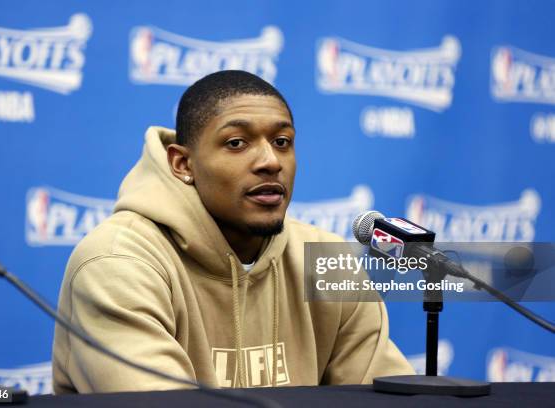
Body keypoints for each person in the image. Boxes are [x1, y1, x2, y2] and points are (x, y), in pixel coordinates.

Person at [52, 70, 414, 393]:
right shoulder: (117, 264)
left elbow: (388, 397)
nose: (270, 161)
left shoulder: (325, 260)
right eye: (236, 143)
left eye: (282, 142)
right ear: (183, 164)